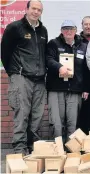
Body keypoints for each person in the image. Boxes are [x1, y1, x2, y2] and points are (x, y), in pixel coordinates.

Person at [0, 0, 48, 155]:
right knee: (21, 114)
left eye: (39, 10)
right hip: (21, 77)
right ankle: (20, 149)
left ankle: (32, 147)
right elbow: (5, 53)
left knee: (37, 115)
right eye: (33, 8)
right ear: (26, 9)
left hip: (39, 80)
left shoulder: (43, 30)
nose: (36, 12)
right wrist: (14, 73)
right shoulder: (15, 28)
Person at [46, 20, 88, 141]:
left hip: (75, 90)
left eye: (71, 29)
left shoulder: (83, 46)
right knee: (57, 124)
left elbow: (86, 69)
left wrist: (85, 88)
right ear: (61, 31)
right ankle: (59, 151)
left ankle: (71, 152)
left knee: (72, 123)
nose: (68, 31)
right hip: (56, 89)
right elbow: (48, 59)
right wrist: (59, 67)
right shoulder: (53, 44)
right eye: (65, 29)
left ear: (76, 30)